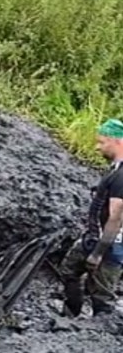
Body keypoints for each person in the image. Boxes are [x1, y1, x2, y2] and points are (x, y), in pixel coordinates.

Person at [59, 118, 123, 317]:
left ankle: (99, 337)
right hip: (94, 237)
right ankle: (71, 317)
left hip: (111, 244)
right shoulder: (115, 170)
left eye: (102, 142)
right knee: (69, 269)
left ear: (118, 142)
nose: (97, 147)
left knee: (102, 295)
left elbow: (116, 217)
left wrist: (97, 253)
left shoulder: (122, 175)